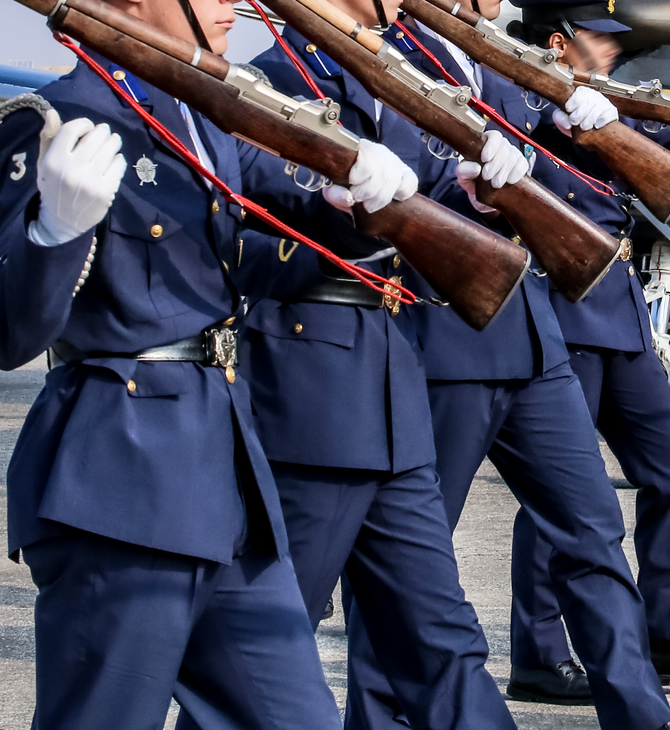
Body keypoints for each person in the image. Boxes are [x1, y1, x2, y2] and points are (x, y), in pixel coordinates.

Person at [0, 0, 422, 727]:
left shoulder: (200, 113)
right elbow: (10, 334)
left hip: (224, 477)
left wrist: (354, 196)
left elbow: (259, 238)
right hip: (121, 480)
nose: (230, 3)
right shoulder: (50, 119)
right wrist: (52, 234)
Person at [179, 0, 537, 728]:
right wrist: (346, 215)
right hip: (314, 398)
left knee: (445, 644)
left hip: (394, 389)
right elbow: (241, 225)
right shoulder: (270, 75)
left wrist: (480, 195)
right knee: (268, 656)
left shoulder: (396, 76)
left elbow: (427, 205)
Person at [339, 0, 670, 726]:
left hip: (535, 334)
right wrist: (452, 181)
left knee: (592, 535)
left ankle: (642, 716)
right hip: (443, 337)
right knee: (409, 565)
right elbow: (369, 185)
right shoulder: (375, 55)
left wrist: (579, 121)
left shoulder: (501, 62)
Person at [506, 0, 670, 697]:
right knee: (563, 491)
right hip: (559, 304)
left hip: (618, 308)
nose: (612, 52)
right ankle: (540, 653)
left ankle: (661, 634)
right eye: (600, 40)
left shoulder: (610, 107)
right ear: (557, 42)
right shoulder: (523, 102)